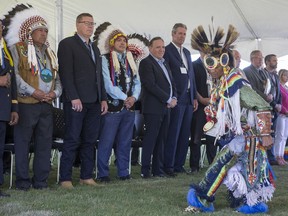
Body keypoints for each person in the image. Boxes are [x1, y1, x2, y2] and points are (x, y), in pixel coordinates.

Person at [186, 25, 275, 214]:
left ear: (223, 63)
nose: (209, 69)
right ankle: (204, 199)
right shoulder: (223, 84)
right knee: (223, 167)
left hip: (251, 139)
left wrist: (265, 134)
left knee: (251, 173)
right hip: (238, 137)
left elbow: (262, 105)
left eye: (212, 65)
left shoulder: (237, 84)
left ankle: (246, 203)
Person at [4, 5, 62, 190]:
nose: (44, 34)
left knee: (44, 144)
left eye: (46, 31)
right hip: (26, 103)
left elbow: (57, 79)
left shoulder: (49, 53)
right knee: (23, 143)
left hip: (46, 105)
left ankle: (41, 181)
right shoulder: (18, 49)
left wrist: (55, 93)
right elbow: (14, 76)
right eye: (40, 31)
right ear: (31, 32)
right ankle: (22, 182)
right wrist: (33, 91)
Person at [58, 13, 108, 189]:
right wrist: (73, 97)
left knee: (90, 140)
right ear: (77, 24)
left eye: (92, 23)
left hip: (94, 101)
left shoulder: (94, 47)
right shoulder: (67, 44)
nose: (90, 26)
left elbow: (99, 77)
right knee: (72, 139)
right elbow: (66, 73)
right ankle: (65, 178)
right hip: (76, 101)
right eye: (86, 23)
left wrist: (103, 98)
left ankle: (86, 176)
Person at [93, 22, 141, 182]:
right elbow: (107, 84)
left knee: (125, 141)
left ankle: (123, 172)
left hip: (128, 108)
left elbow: (137, 82)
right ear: (112, 43)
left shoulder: (130, 59)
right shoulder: (105, 59)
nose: (122, 43)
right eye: (118, 40)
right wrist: (125, 98)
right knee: (106, 141)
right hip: (113, 107)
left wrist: (134, 97)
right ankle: (103, 173)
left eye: (124, 40)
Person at [139, 37, 177, 178]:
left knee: (161, 140)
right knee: (151, 139)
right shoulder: (146, 63)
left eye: (163, 47)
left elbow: (171, 83)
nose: (161, 50)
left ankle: (157, 170)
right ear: (150, 48)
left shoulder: (165, 63)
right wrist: (167, 98)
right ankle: (145, 170)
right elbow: (150, 85)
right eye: (157, 47)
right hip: (153, 108)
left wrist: (174, 98)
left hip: (166, 107)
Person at [163, 23, 198, 176]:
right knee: (174, 133)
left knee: (185, 134)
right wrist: (173, 96)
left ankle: (179, 164)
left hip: (189, 98)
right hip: (177, 97)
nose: (182, 36)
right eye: (179, 33)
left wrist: (194, 96)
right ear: (173, 34)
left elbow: (191, 76)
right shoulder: (167, 51)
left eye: (184, 34)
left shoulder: (187, 52)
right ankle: (168, 165)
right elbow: (167, 75)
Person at [190, 51, 217, 173]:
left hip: (212, 105)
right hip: (200, 106)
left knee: (212, 136)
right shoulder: (194, 65)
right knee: (197, 137)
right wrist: (201, 99)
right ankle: (194, 165)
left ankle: (212, 163)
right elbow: (192, 85)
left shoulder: (214, 65)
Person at [0, 19, 19, 197]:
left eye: (0, 26)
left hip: (3, 108)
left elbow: (11, 81)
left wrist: (13, 107)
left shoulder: (4, 50)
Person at [273, 69, 288, 165]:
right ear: (280, 75)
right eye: (285, 75)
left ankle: (281, 155)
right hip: (281, 113)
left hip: (286, 114)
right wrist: (283, 109)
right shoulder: (278, 86)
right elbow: (278, 100)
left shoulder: (285, 87)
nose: (287, 78)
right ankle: (276, 155)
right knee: (280, 135)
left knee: (285, 136)